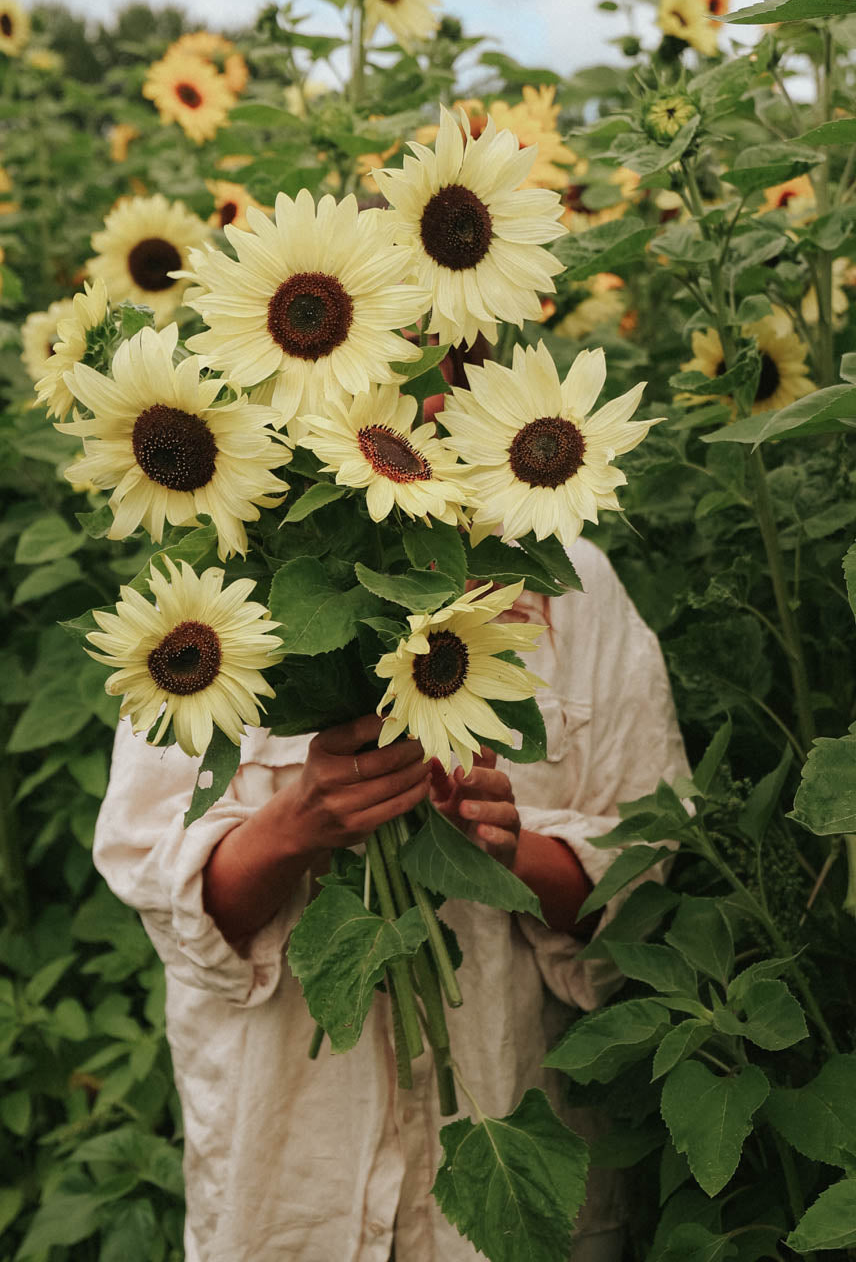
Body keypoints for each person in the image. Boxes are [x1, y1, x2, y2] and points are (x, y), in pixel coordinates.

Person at [94, 535, 689, 1262]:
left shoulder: (563, 580)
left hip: (513, 1126)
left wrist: (502, 849)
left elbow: (641, 880)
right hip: (295, 1187)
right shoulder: (224, 590)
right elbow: (167, 895)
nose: (425, 418)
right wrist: (298, 824)